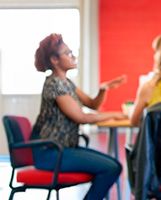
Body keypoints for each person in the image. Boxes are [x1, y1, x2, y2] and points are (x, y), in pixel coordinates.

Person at [32, 33, 126, 200]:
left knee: (114, 166)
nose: (73, 56)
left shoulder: (67, 83)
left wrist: (103, 89)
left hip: (64, 149)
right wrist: (116, 115)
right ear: (54, 59)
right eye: (68, 53)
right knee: (111, 167)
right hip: (51, 153)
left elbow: (92, 104)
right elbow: (81, 117)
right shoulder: (54, 84)